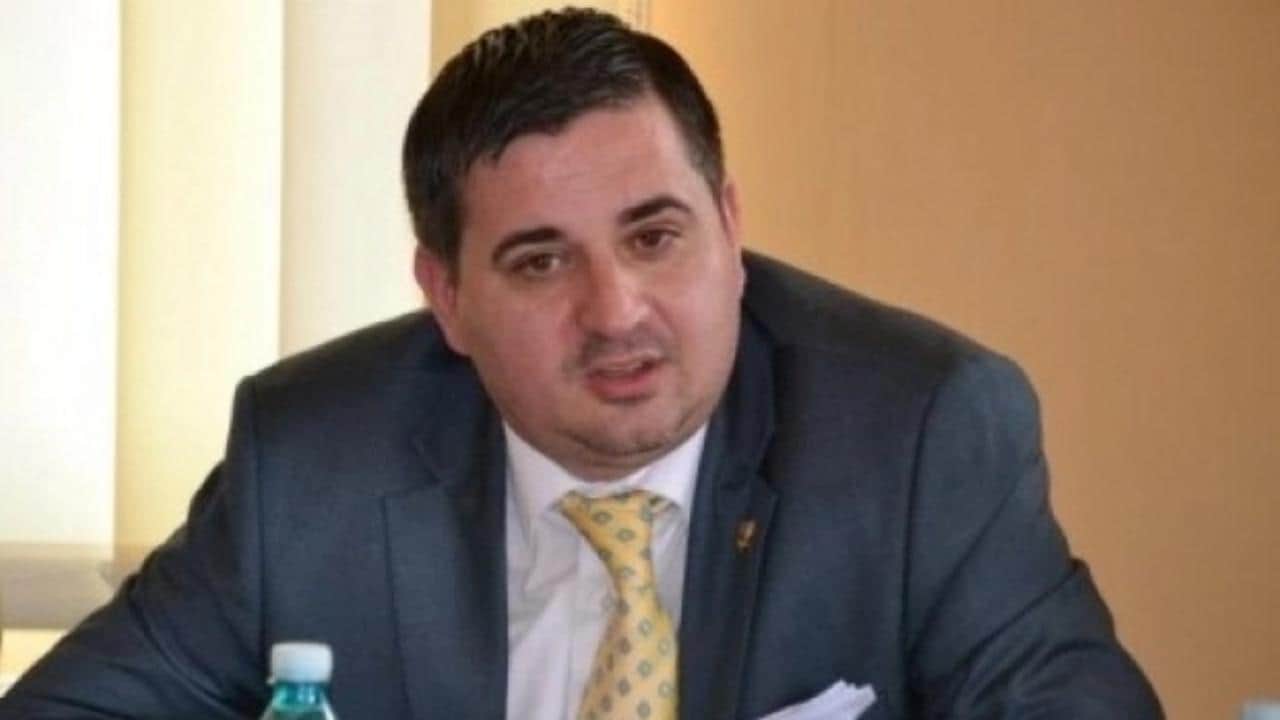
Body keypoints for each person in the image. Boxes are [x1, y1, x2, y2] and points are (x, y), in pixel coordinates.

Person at [0, 8, 1162, 719]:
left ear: (729, 226)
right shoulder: (313, 458)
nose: (615, 312)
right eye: (540, 262)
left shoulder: (915, 432)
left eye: (654, 238)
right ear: (447, 298)